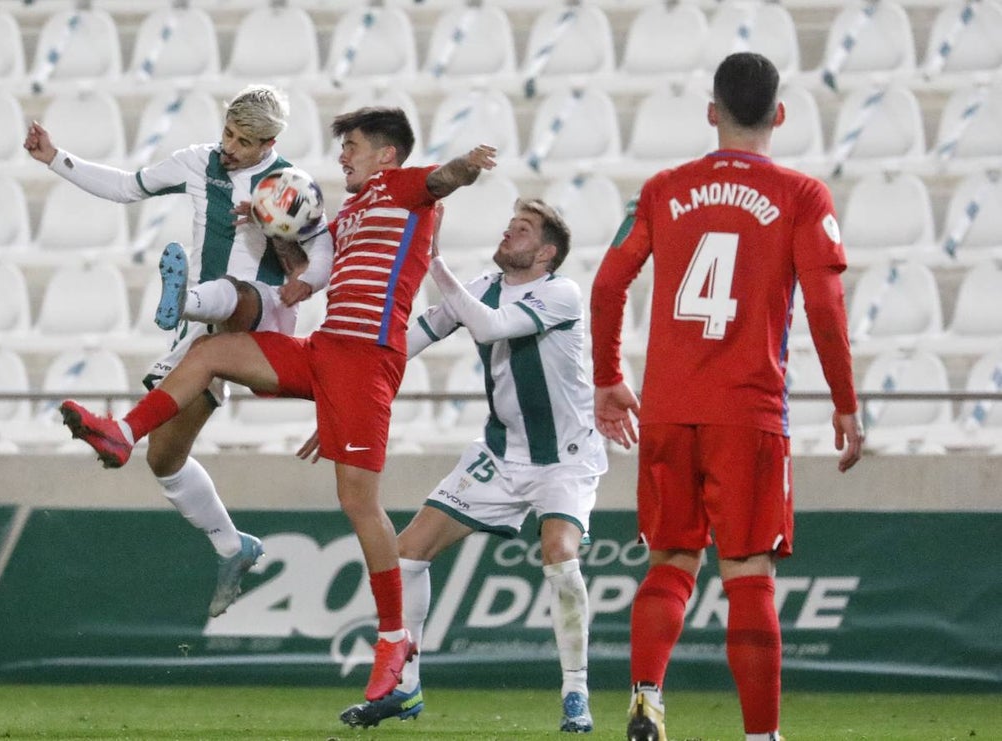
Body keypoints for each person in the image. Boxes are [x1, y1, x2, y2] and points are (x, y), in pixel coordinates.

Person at [56, 106, 497, 704]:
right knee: (214, 354)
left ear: (386, 155)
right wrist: (275, 237)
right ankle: (121, 434)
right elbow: (315, 267)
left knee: (358, 503)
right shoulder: (352, 210)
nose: (342, 155)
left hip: (367, 362)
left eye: (354, 146)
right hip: (327, 350)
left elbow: (441, 180)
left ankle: (394, 640)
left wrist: (467, 166)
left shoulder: (404, 187)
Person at [590, 52, 864, 741]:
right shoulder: (803, 196)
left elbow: (606, 286)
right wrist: (845, 401)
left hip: (669, 407)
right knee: (748, 573)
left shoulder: (661, 189)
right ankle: (760, 736)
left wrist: (607, 377)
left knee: (670, 562)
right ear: (778, 114)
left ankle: (648, 693)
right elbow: (827, 307)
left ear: (712, 112)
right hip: (748, 410)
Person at [23, 84, 334, 620]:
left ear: (271, 142)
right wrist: (56, 158)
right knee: (165, 458)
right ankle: (234, 547)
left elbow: (322, 254)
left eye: (245, 140)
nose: (230, 146)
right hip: (205, 333)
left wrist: (299, 273)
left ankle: (182, 298)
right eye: (228, 134)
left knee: (234, 293)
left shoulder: (289, 186)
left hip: (263, 316)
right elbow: (126, 187)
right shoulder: (197, 162)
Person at [321, 199, 606, 733]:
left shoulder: (560, 293)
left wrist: (433, 260)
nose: (508, 232)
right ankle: (404, 690)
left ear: (546, 253)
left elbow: (495, 328)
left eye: (522, 230)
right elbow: (408, 343)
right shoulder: (480, 287)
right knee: (407, 554)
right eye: (509, 224)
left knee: (560, 556)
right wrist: (347, 394)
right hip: (499, 455)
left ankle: (575, 691)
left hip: (563, 460)